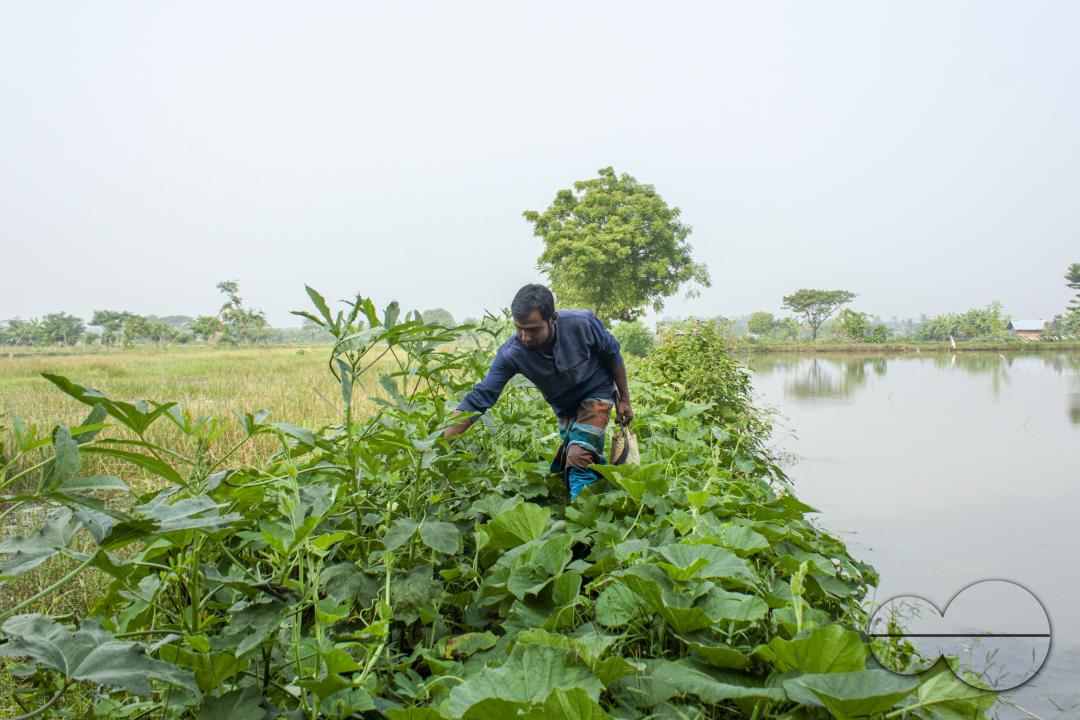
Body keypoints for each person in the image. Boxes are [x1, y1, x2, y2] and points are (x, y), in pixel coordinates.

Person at [443, 284, 633, 499]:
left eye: (533, 329)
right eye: (519, 328)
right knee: (577, 454)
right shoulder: (511, 353)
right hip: (564, 406)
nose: (525, 337)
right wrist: (441, 443)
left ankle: (585, 516)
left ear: (552, 318)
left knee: (579, 455)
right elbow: (481, 397)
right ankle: (608, 491)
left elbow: (612, 355)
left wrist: (624, 399)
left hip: (597, 390)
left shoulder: (582, 323)